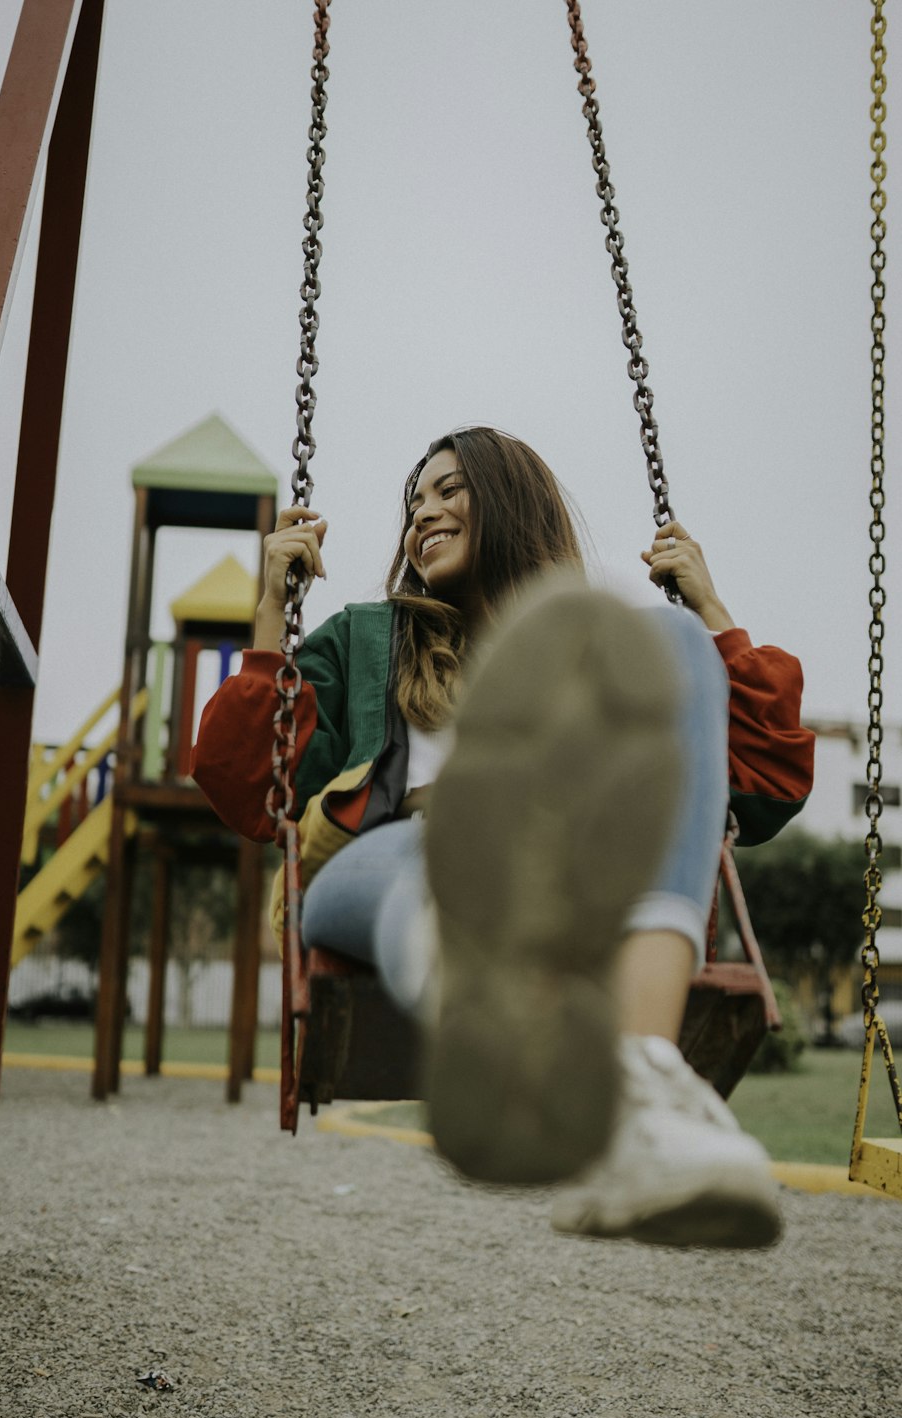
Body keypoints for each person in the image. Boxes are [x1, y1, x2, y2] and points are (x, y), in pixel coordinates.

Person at [192, 427, 814, 1249]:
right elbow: (243, 782)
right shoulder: (366, 637)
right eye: (416, 502)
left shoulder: (603, 653)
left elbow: (767, 786)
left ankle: (640, 1080)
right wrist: (272, 608)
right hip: (382, 857)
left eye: (450, 491)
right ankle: (509, 1042)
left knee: (671, 649)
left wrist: (709, 610)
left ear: (511, 500)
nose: (424, 514)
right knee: (438, 860)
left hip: (556, 878)